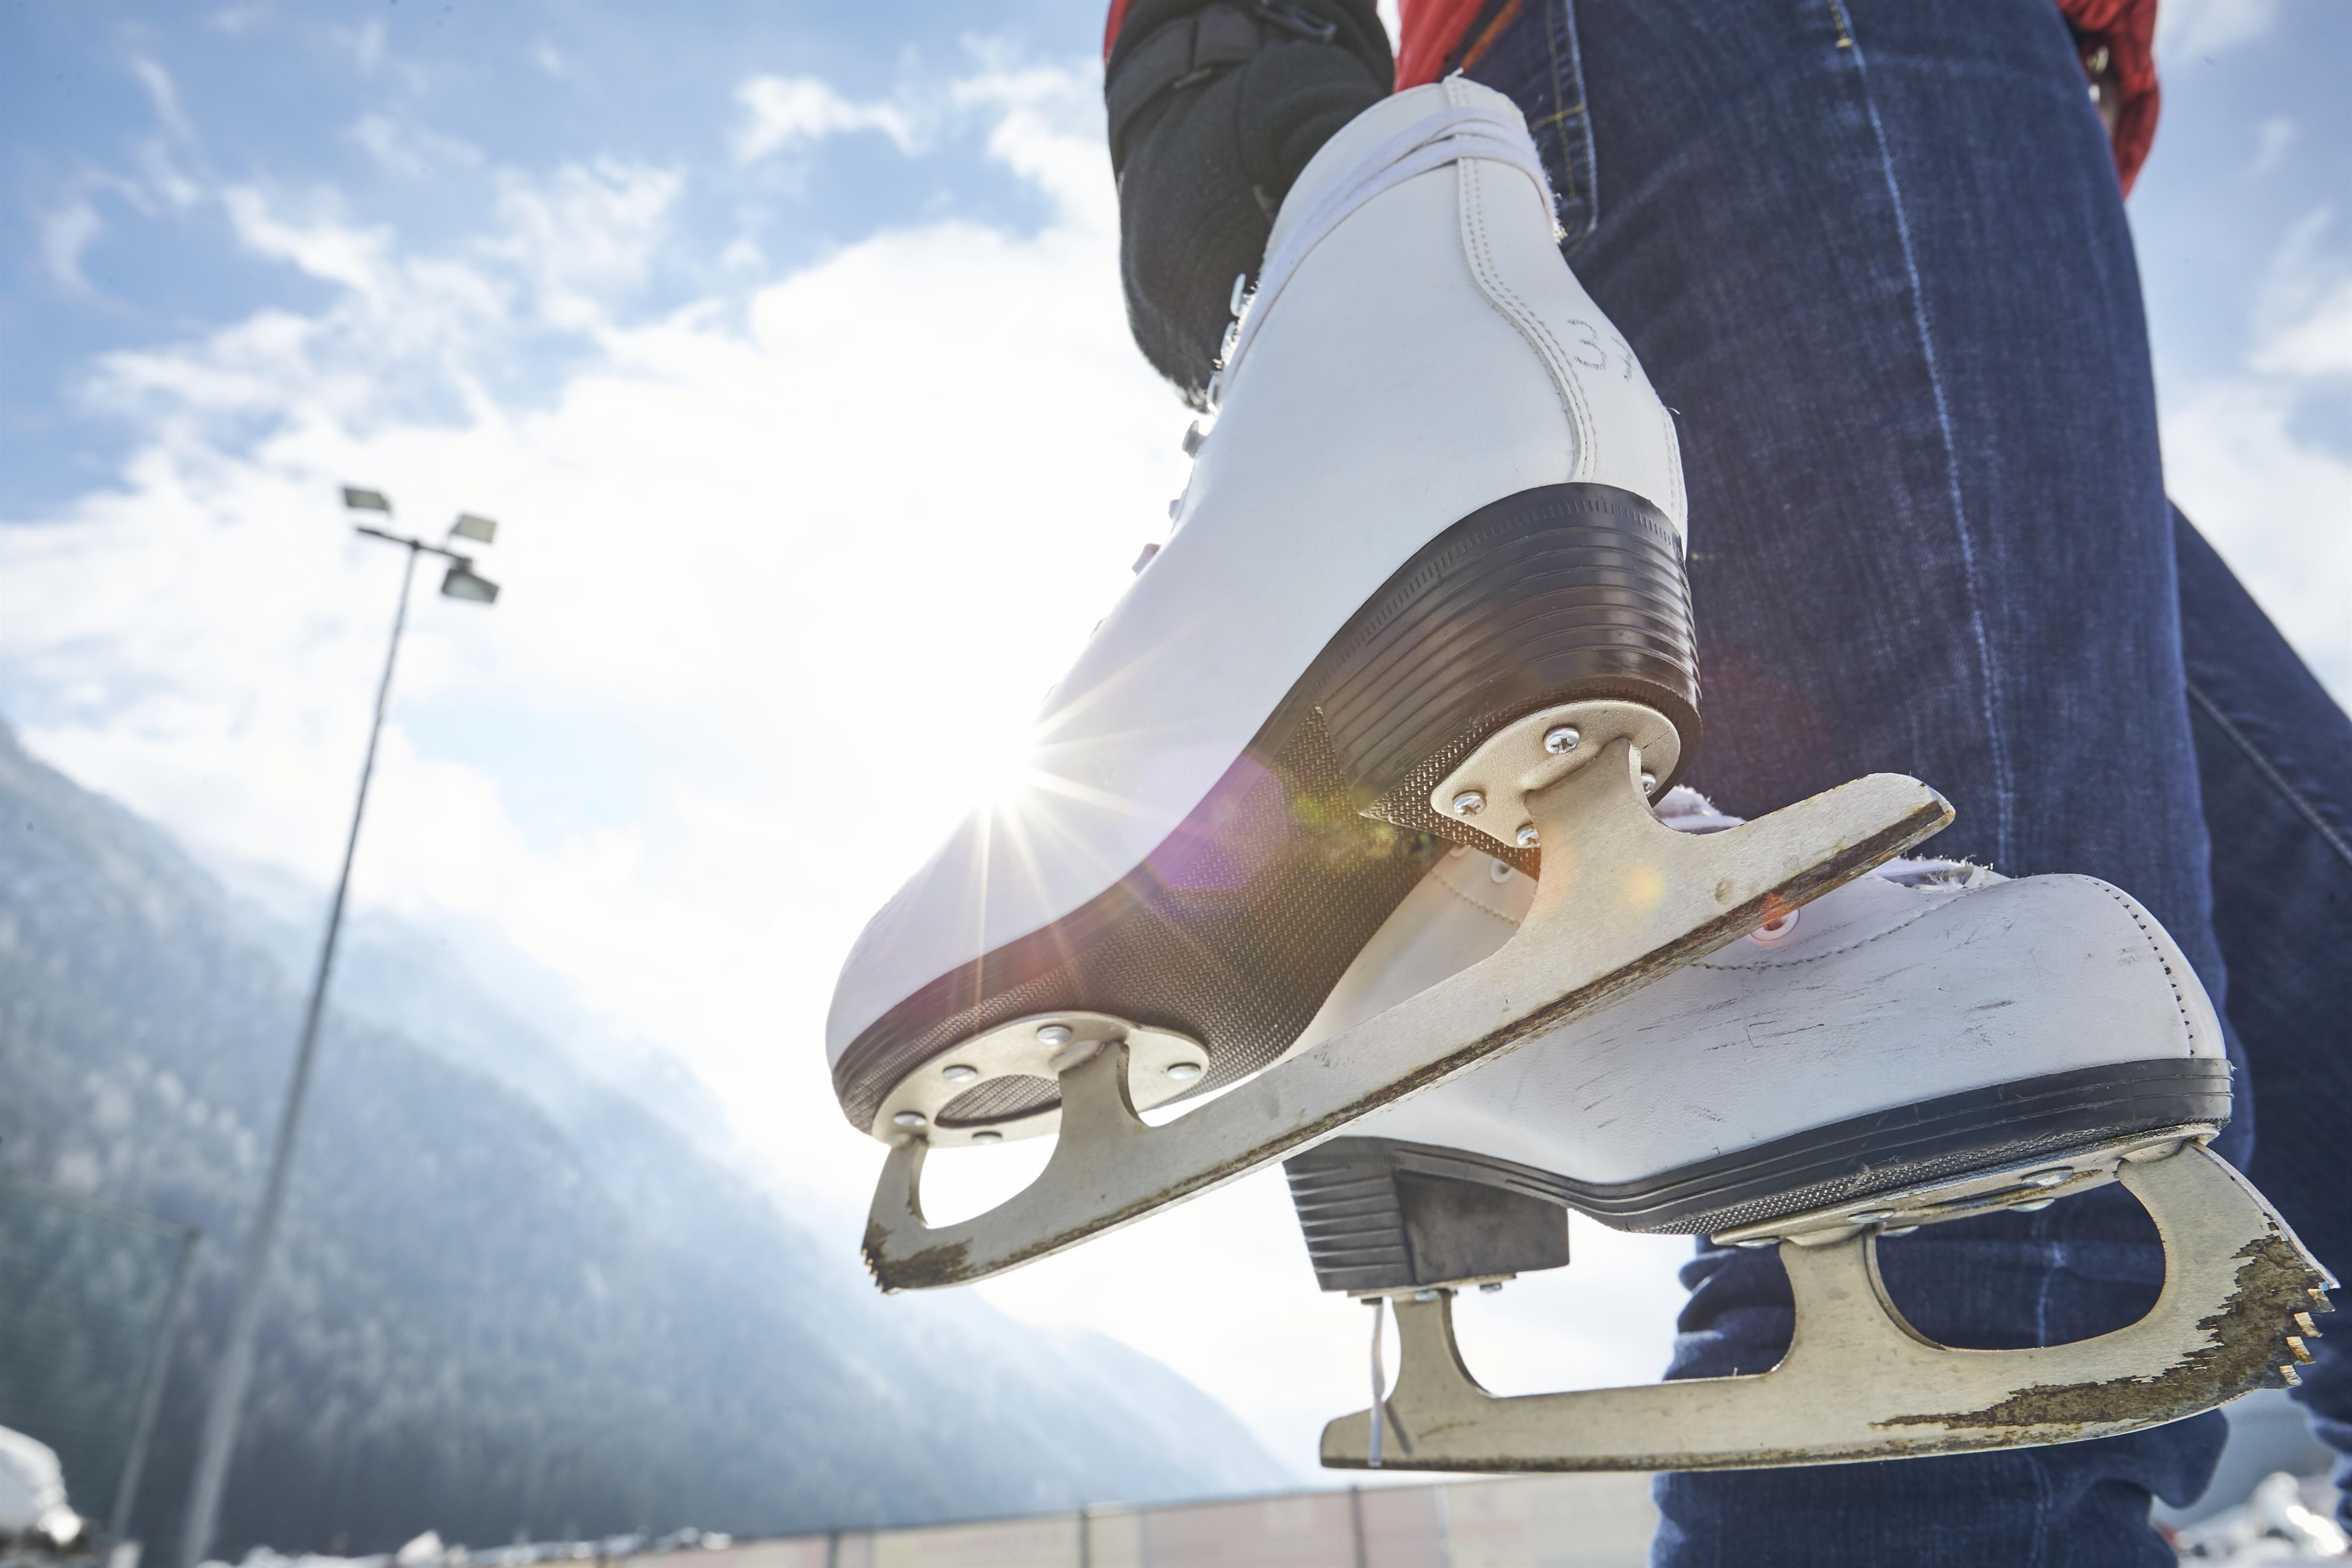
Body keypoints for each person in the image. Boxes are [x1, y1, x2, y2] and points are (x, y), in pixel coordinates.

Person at [1093, 0, 2352, 1560]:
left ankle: (1442, 956)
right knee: (1989, 1179)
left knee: (2061, 1096)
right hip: (1807, 66)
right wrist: (1223, 54)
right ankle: (1442, 933)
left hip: (1957, 162)